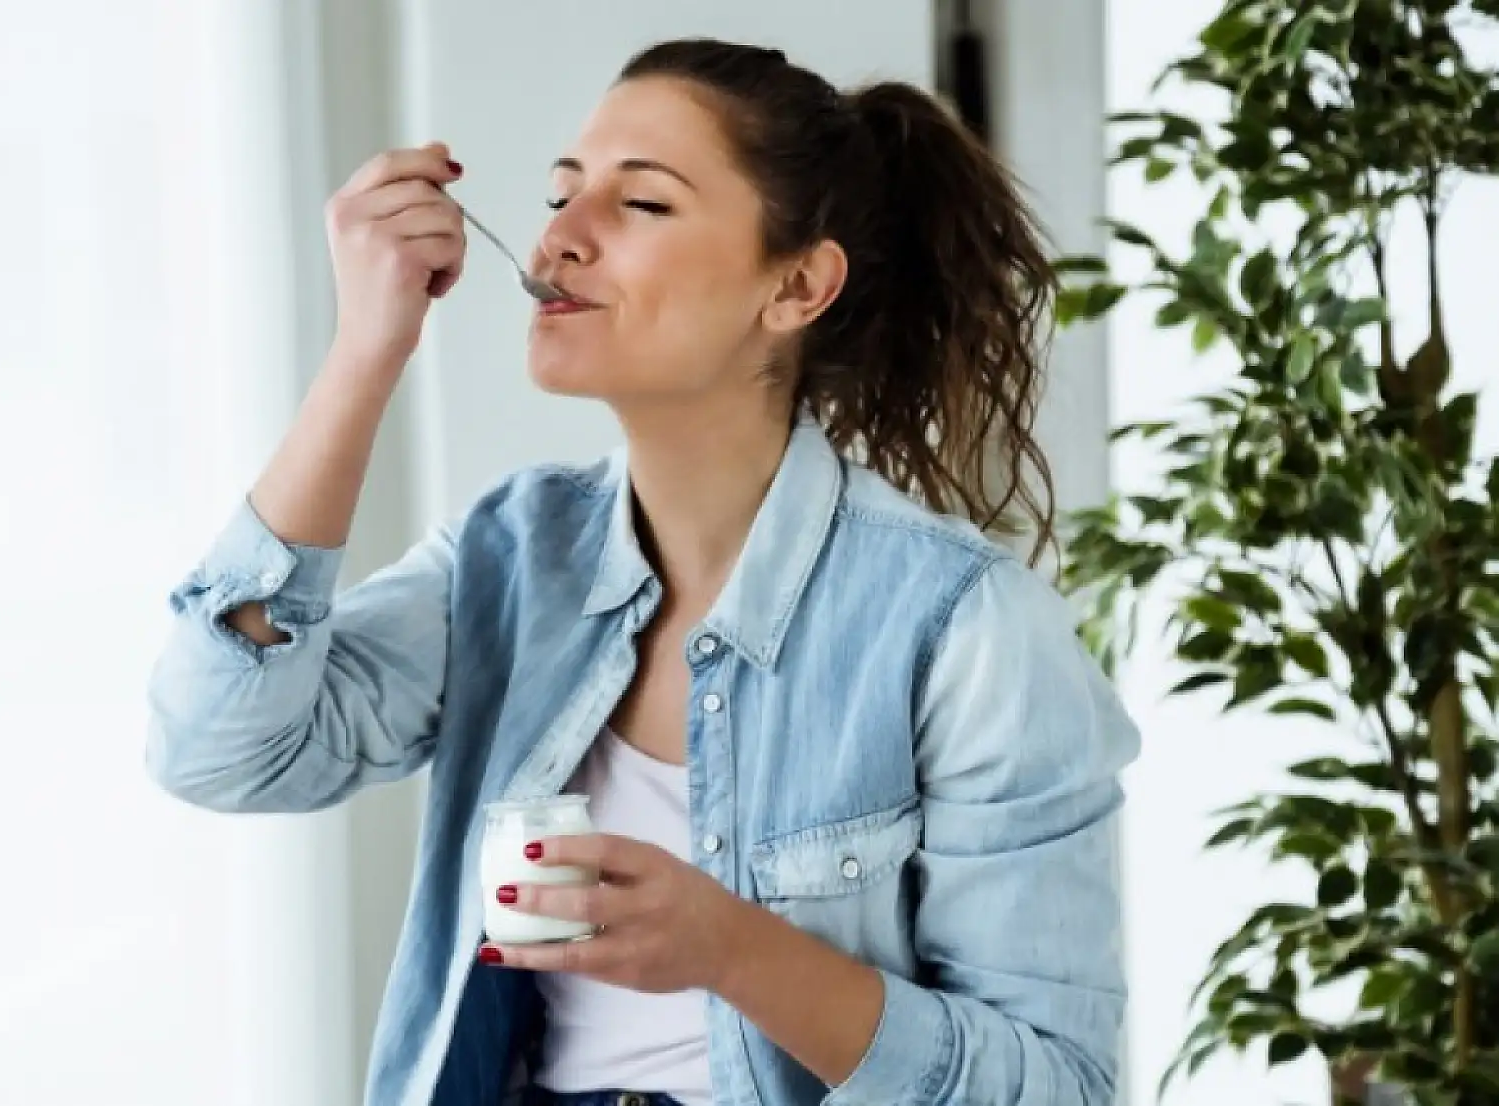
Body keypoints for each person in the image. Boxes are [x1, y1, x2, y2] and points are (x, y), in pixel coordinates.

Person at [146, 37, 1140, 1106]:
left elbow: (1057, 1084)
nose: (559, 237)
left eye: (641, 205)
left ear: (796, 284)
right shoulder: (510, 556)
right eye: (560, 193)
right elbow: (220, 749)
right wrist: (363, 352)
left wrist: (732, 948)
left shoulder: (963, 627)